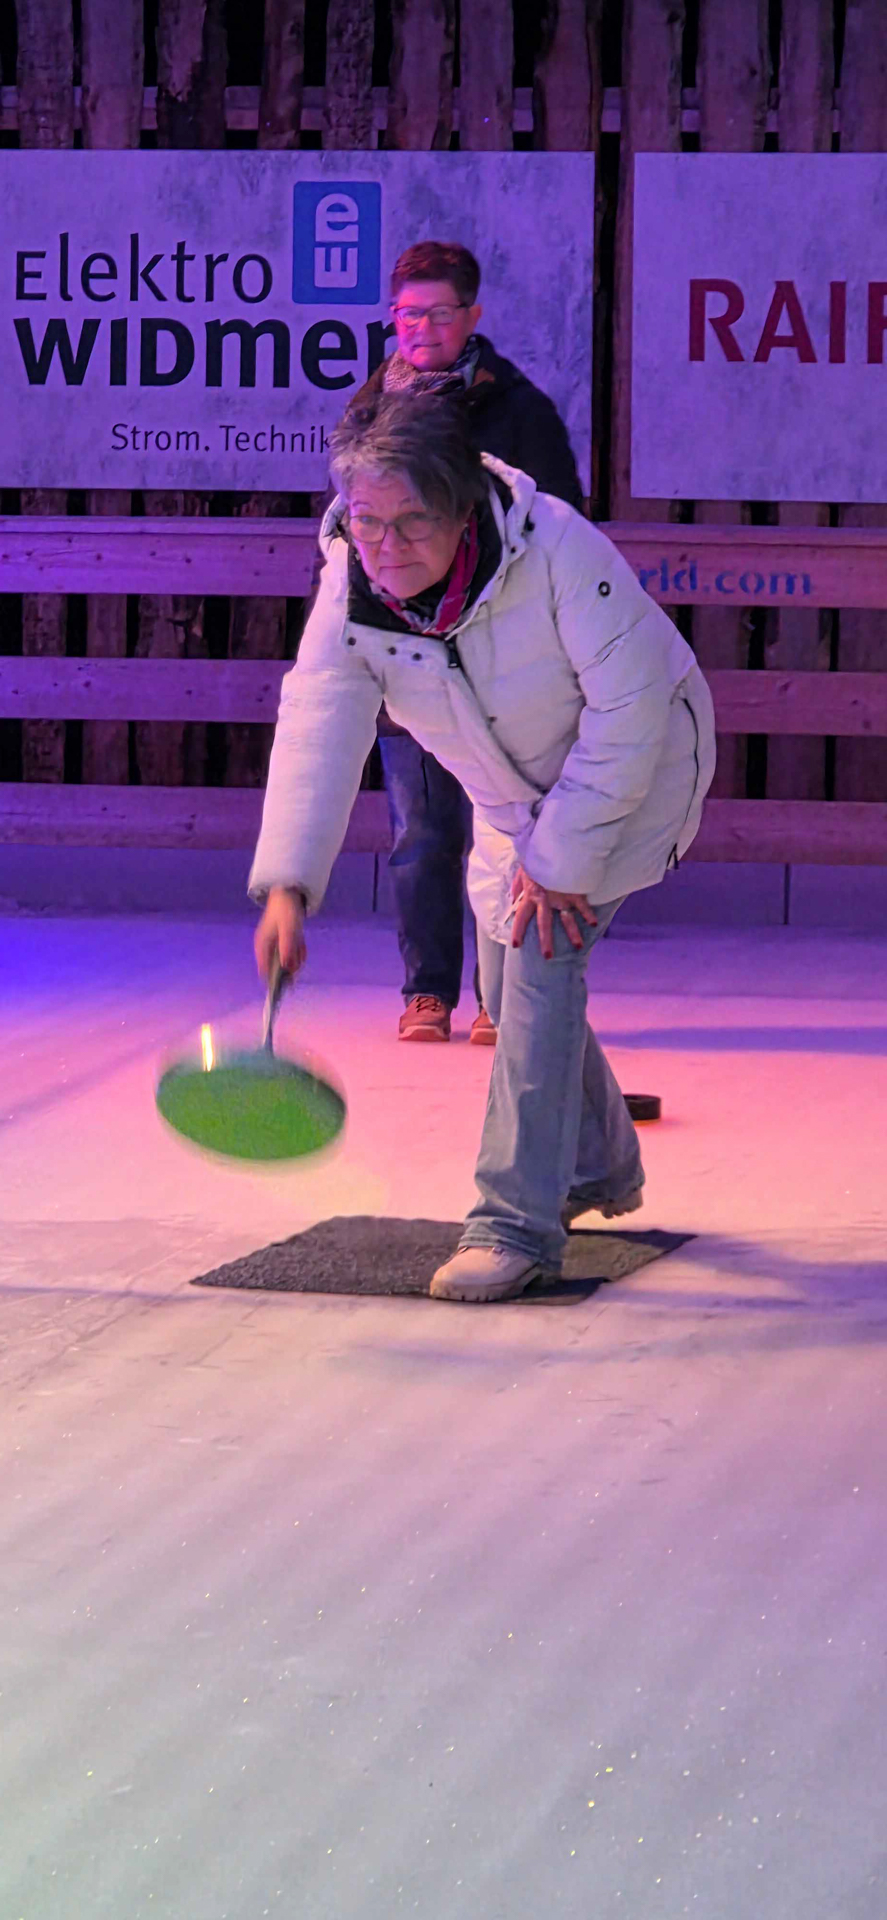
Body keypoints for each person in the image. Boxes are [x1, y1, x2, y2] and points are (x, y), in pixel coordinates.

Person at [250, 394, 715, 1304]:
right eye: (366, 520)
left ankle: (514, 1227)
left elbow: (631, 713)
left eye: (411, 522)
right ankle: (598, 1165)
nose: (385, 546)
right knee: (504, 989)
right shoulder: (352, 579)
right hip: (510, 802)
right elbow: (319, 722)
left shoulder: (560, 551)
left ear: (462, 509)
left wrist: (561, 860)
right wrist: (286, 887)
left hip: (637, 773)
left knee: (539, 965)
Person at [355, 241, 583, 1047]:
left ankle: (497, 994)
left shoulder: (518, 410)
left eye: (439, 313)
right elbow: (349, 533)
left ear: (471, 316)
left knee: (505, 836)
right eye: (407, 314)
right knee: (420, 834)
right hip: (408, 655)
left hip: (501, 664)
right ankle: (426, 993)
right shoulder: (369, 410)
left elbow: (564, 530)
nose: (421, 328)